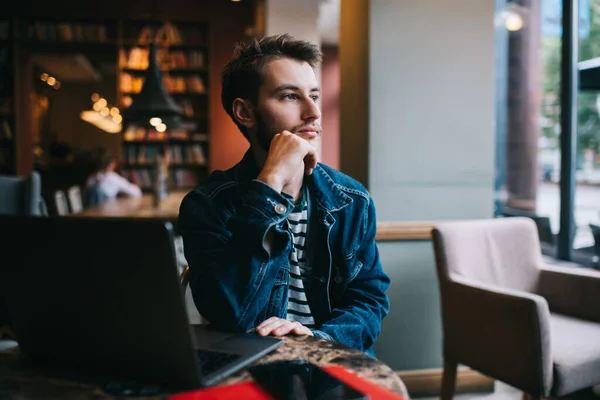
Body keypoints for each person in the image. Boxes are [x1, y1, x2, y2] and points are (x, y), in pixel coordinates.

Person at [178, 34, 390, 355]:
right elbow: (230, 314)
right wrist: (269, 185)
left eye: (314, 96)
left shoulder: (352, 199)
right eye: (290, 96)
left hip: (331, 357)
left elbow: (370, 300)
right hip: (250, 362)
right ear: (245, 112)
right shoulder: (207, 204)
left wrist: (318, 337)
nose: (313, 113)